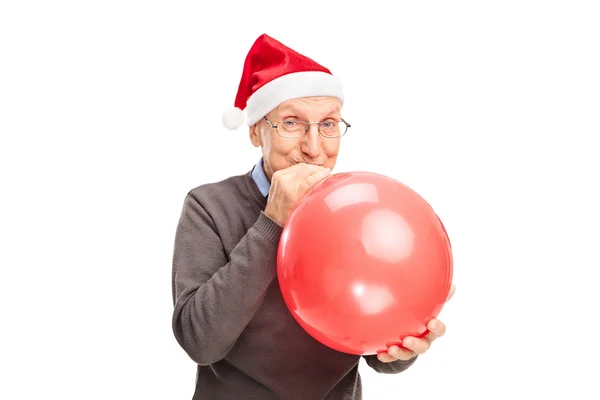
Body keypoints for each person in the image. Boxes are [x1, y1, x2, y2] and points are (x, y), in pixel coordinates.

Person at [171, 33, 455, 400]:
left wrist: (402, 344)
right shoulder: (208, 206)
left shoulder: (356, 209)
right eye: (291, 123)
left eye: (328, 124)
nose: (314, 147)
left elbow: (368, 339)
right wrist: (272, 222)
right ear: (256, 131)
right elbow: (200, 342)